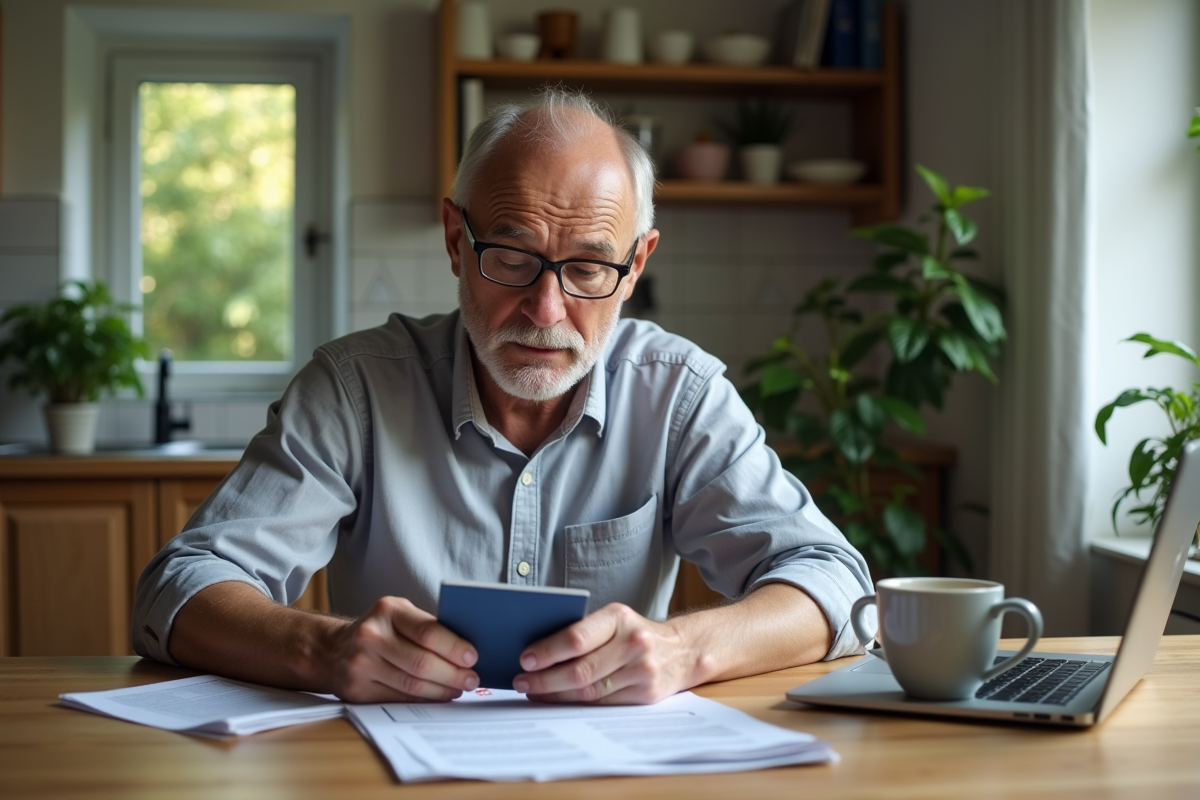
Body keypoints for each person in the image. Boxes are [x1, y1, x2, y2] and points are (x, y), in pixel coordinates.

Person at [132, 88, 872, 705]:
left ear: (637, 261)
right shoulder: (355, 389)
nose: (546, 312)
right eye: (513, 258)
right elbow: (180, 588)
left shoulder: (676, 393)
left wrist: (683, 649)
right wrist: (320, 648)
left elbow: (833, 581)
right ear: (456, 240)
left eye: (587, 269)